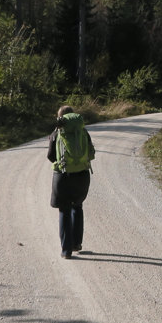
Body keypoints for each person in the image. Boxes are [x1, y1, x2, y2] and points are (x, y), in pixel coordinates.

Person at [47, 105, 94, 258]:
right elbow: (91, 154)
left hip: (63, 176)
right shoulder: (83, 131)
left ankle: (66, 251)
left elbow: (51, 156)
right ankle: (76, 243)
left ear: (61, 118)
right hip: (82, 175)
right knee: (77, 207)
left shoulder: (57, 132)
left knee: (64, 211)